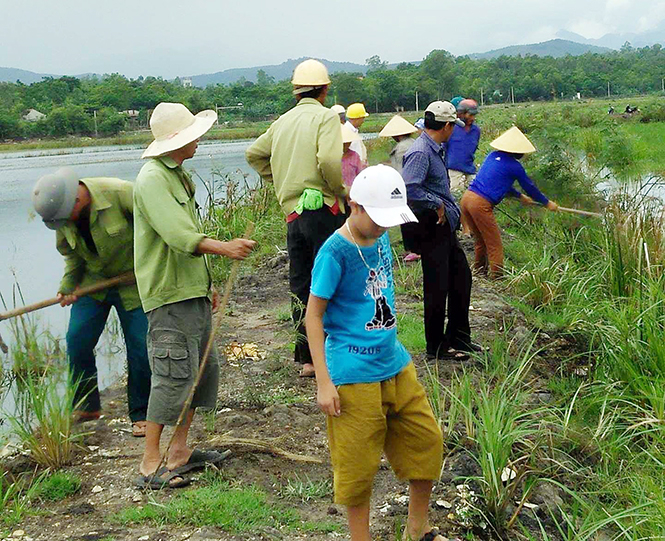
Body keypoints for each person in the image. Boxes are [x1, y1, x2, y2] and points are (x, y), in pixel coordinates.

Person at [306, 164, 445, 541]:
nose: (385, 227)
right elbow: (313, 316)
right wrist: (323, 381)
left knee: (426, 442)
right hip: (352, 372)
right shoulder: (335, 253)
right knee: (358, 465)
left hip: (394, 362)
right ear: (355, 206)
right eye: (378, 218)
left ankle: (418, 528)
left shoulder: (380, 238)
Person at [133, 102, 256, 489]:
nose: (199, 141)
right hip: (169, 295)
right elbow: (178, 236)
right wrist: (225, 248)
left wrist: (208, 285)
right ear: (176, 141)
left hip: (191, 291)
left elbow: (187, 232)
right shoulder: (152, 179)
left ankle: (180, 451)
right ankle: (150, 462)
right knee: (171, 376)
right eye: (193, 136)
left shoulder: (177, 176)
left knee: (199, 372)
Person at [246, 59, 347, 378]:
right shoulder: (326, 118)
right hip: (323, 208)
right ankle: (329, 354)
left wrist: (279, 181)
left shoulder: (282, 122)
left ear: (296, 91)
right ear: (325, 89)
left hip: (293, 212)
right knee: (330, 279)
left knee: (301, 282)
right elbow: (330, 159)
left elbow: (254, 154)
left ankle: (306, 358)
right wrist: (339, 190)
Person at [32, 169, 152, 436]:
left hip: (134, 282)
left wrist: (152, 267)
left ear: (76, 200)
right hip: (94, 284)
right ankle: (87, 407)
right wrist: (67, 287)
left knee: (140, 347)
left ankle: (141, 413)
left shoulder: (121, 193)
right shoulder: (62, 216)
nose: (64, 223)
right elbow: (73, 257)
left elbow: (157, 227)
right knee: (77, 340)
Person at [401, 101, 481, 359]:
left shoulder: (436, 149)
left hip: (444, 227)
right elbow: (409, 187)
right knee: (437, 287)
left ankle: (459, 338)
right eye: (452, 126)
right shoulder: (421, 152)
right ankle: (436, 347)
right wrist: (436, 204)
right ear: (446, 126)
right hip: (431, 228)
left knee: (461, 279)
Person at [460, 126, 559, 278]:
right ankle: (497, 279)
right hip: (480, 204)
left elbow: (500, 183)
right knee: (495, 245)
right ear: (517, 152)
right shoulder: (515, 166)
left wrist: (519, 196)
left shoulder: (492, 156)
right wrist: (547, 203)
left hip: (467, 199)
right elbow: (530, 187)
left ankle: (479, 272)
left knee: (480, 241)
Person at [378, 115, 420, 262]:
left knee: (406, 219)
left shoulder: (402, 148)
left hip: (405, 188)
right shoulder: (413, 142)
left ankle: (413, 249)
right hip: (414, 187)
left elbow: (402, 170)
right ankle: (414, 248)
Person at [447, 99, 481, 192]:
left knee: (477, 192)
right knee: (455, 193)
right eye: (470, 115)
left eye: (474, 115)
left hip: (469, 168)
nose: (473, 118)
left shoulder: (476, 130)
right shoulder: (451, 128)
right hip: (453, 170)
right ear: (461, 114)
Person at [341, 124, 365, 189]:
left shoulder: (354, 156)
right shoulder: (331, 157)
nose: (347, 144)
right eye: (344, 143)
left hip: (353, 190)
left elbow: (360, 175)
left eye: (349, 142)